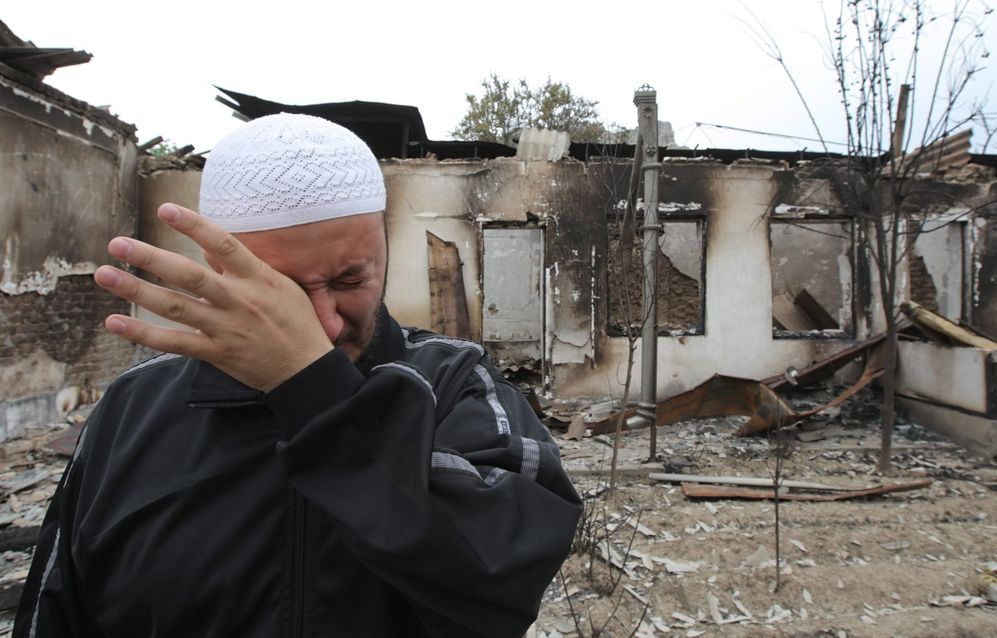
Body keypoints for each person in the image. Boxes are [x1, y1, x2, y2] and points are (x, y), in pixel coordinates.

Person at [15, 113, 581, 637]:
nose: (325, 325)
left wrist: (314, 390)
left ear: (383, 246)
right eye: (281, 294)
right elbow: (57, 611)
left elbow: (505, 578)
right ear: (217, 269)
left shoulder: (453, 382)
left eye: (348, 281)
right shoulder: (134, 409)